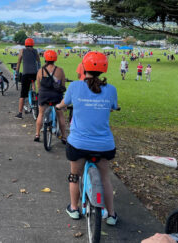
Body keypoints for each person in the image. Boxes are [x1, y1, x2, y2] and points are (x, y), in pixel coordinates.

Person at [56, 51, 119, 226]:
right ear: (104, 68)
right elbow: (114, 106)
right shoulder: (111, 89)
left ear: (84, 67)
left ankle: (74, 208)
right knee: (105, 178)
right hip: (104, 145)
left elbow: (63, 104)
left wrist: (59, 105)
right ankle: (112, 215)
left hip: (78, 145)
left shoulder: (75, 87)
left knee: (74, 176)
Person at [34, 50, 67, 143]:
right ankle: (64, 136)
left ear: (45, 59)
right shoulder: (60, 70)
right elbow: (63, 86)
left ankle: (37, 134)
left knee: (40, 114)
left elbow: (39, 86)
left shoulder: (40, 71)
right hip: (56, 95)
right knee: (60, 115)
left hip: (44, 95)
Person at [15, 38, 41, 119]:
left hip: (26, 74)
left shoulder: (22, 51)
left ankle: (20, 113)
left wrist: (16, 73)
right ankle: (34, 94)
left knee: (23, 94)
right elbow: (39, 61)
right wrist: (39, 70)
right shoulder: (35, 51)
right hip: (34, 74)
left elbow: (18, 62)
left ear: (25, 44)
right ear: (33, 44)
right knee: (33, 83)